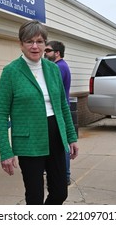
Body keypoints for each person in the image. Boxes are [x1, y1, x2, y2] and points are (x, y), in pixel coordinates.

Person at [0, 19, 79, 205]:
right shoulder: (11, 72)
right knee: (34, 197)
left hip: (56, 136)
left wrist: (71, 137)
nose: (35, 46)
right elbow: (1, 114)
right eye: (29, 41)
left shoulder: (53, 69)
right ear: (21, 44)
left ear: (45, 44)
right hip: (29, 141)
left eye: (39, 41)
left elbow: (63, 106)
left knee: (59, 193)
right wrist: (5, 151)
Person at [44, 40, 72, 185]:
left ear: (57, 53)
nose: (45, 53)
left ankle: (64, 175)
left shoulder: (59, 68)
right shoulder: (59, 66)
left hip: (59, 111)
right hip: (58, 110)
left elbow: (52, 89)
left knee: (62, 145)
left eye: (48, 50)